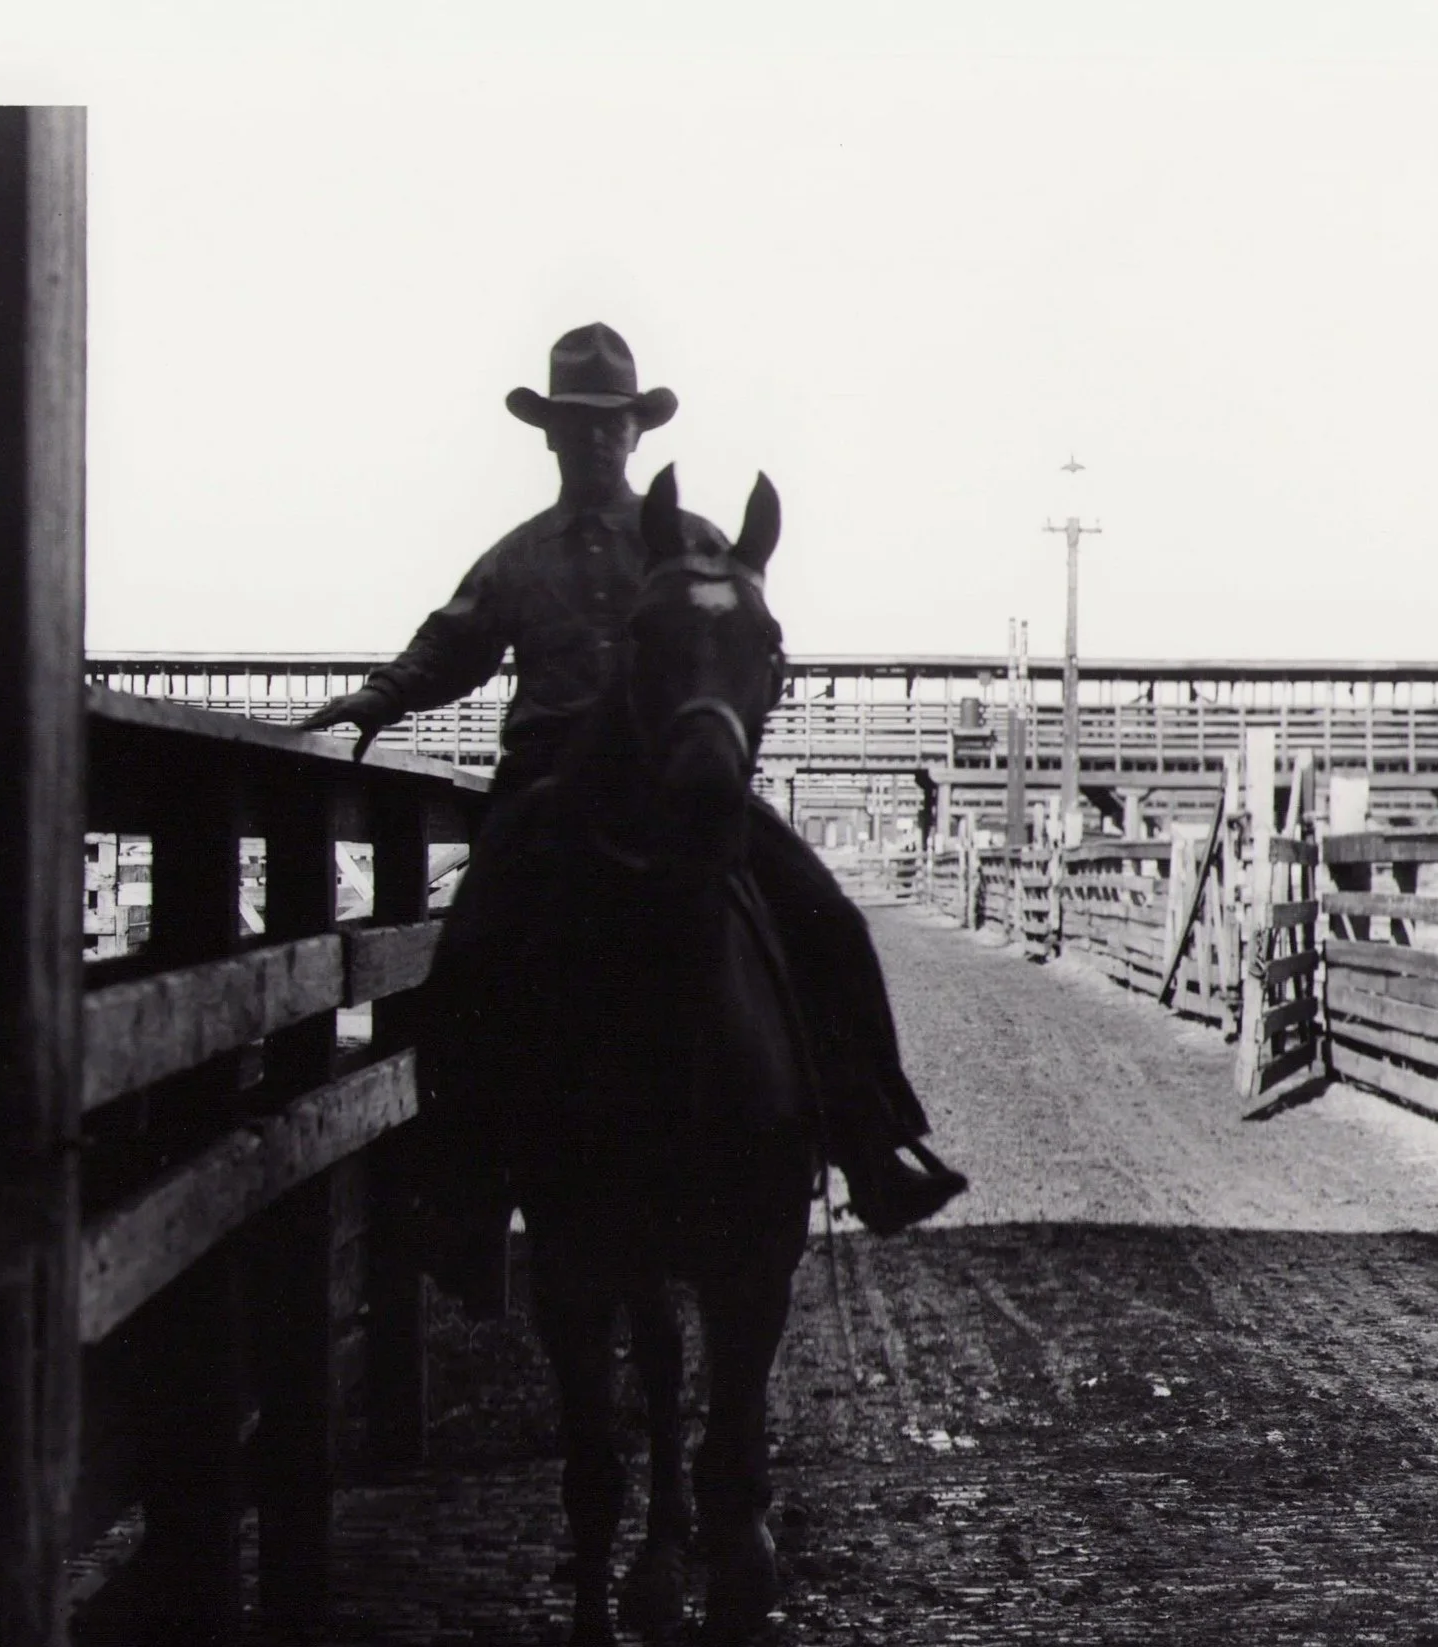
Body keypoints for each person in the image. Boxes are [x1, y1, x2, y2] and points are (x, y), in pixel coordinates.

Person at [303, 323, 956, 1235]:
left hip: (677, 780)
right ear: (551, 434)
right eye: (579, 423)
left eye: (613, 423)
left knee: (825, 915)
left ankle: (872, 1139)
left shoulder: (691, 540)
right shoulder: (518, 557)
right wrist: (377, 698)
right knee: (467, 950)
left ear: (636, 434)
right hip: (550, 787)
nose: (598, 438)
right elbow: (452, 644)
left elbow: (740, 634)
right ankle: (458, 1186)